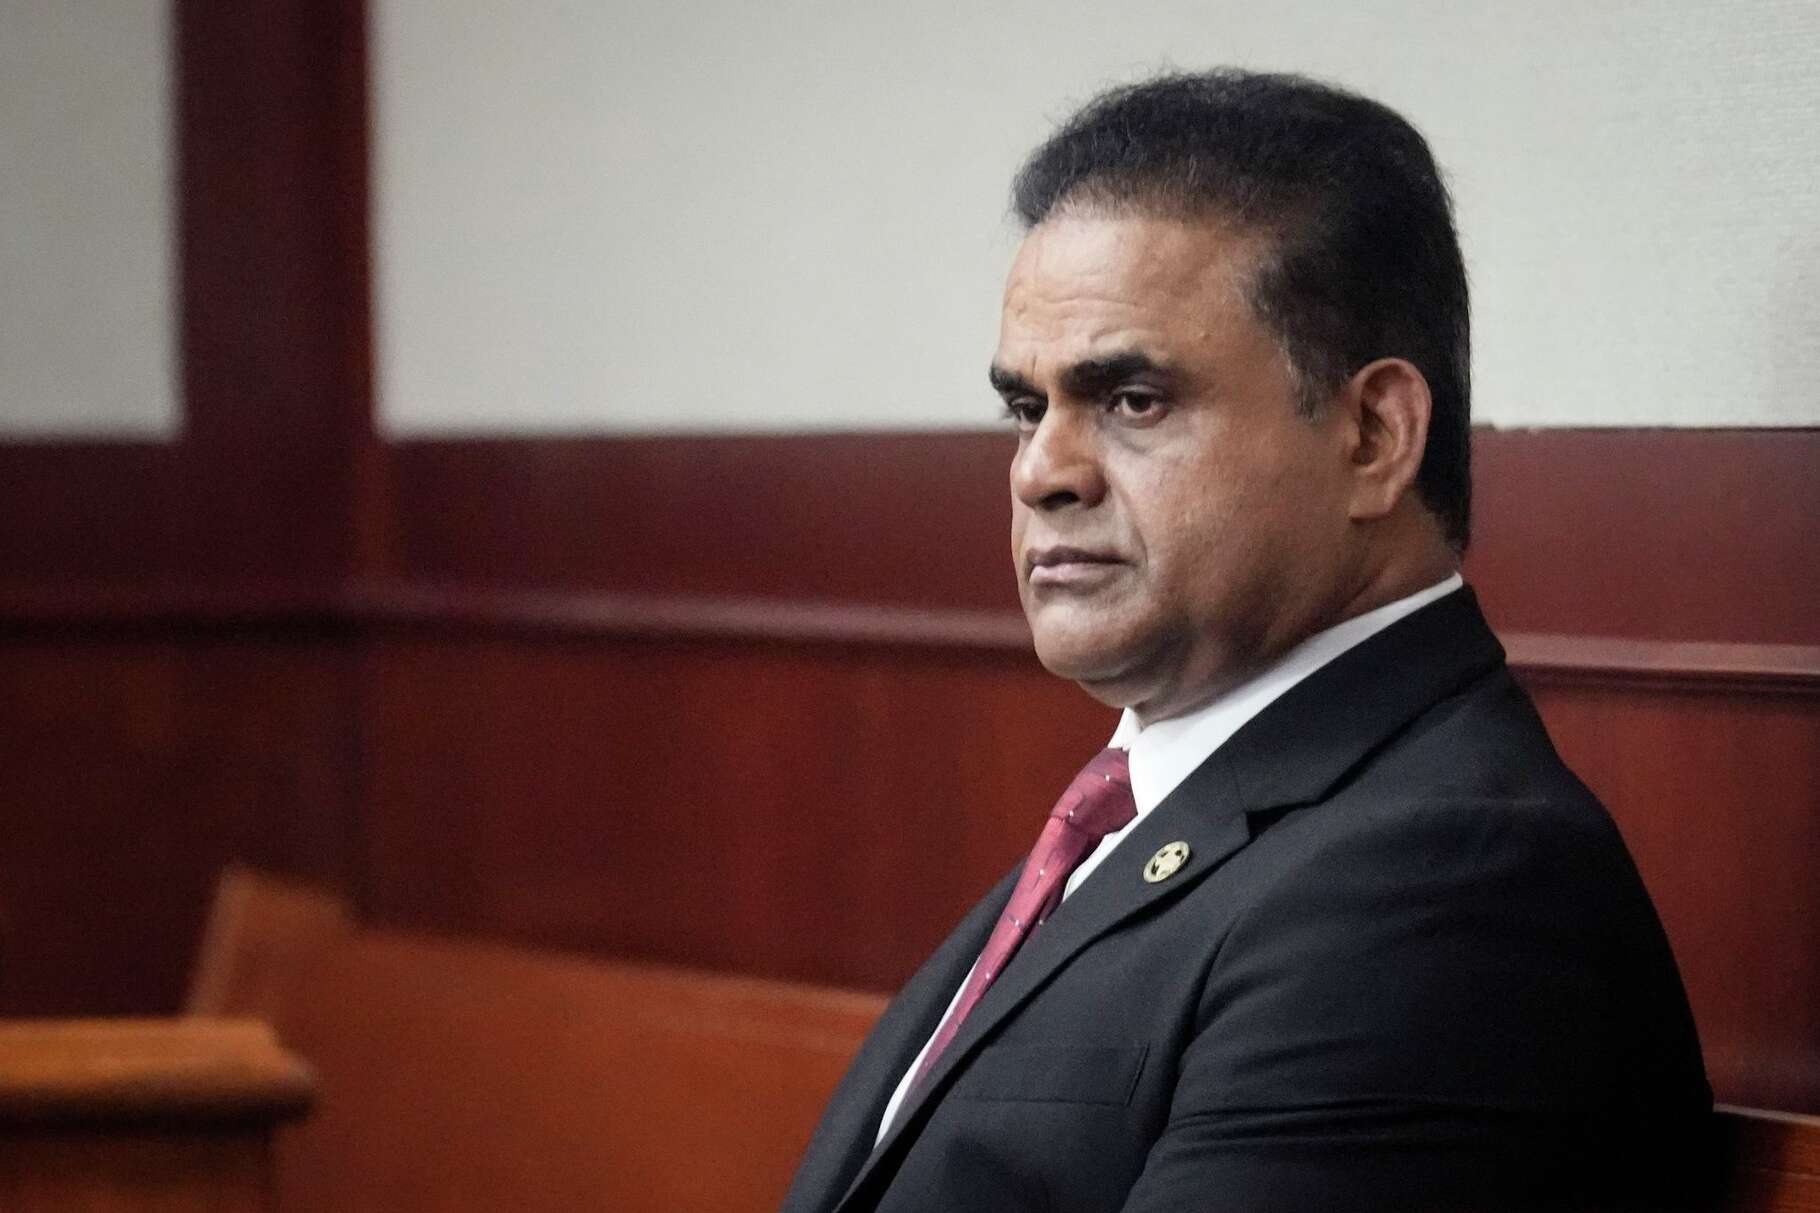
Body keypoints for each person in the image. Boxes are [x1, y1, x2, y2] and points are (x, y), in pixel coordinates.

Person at [781, 70, 1711, 1213]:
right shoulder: (1154, 811)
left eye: (1130, 400)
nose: (1040, 472)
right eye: (1027, 409)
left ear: (1372, 435)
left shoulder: (1447, 882)